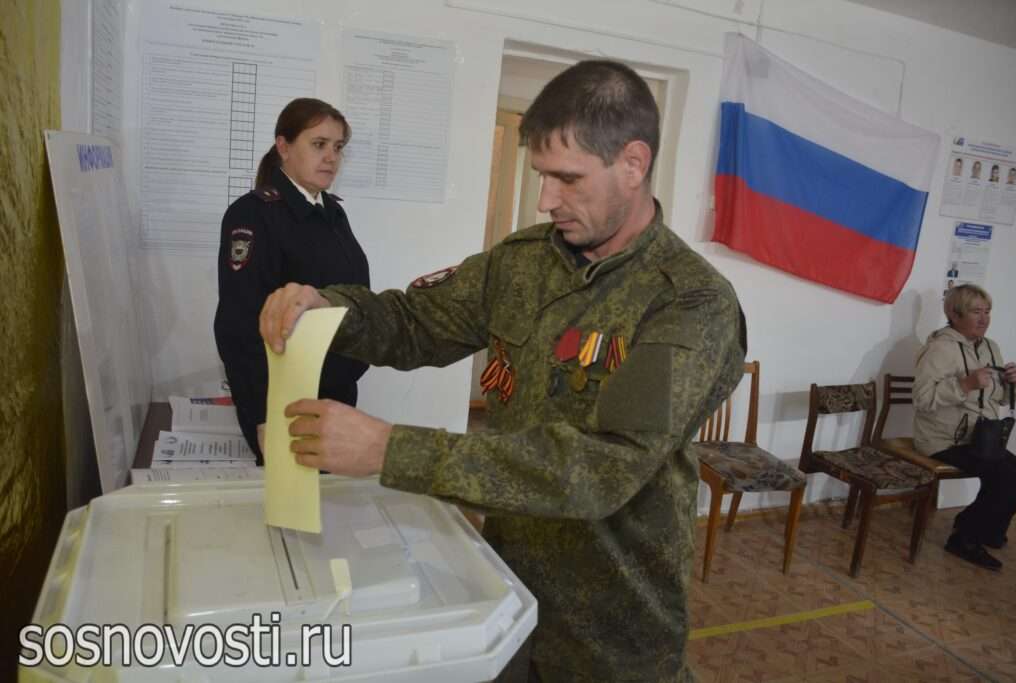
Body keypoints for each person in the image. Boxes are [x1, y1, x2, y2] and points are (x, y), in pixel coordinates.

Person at [260, 61, 746, 682]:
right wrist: (329, 308)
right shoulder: (521, 263)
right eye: (542, 175)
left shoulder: (691, 302)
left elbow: (600, 467)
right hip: (508, 592)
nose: (546, 200)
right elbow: (416, 322)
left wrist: (390, 449)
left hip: (614, 628)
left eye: (567, 178)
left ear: (633, 163)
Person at [214, 98, 370, 462]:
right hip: (286, 405)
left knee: (329, 495)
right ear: (284, 147)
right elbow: (238, 325)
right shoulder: (254, 215)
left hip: (335, 395)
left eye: (338, 147)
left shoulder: (332, 212)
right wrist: (261, 415)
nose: (331, 157)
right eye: (319, 144)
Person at [913, 284, 1016, 570]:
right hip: (943, 440)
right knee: (1007, 479)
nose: (984, 319)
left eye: (987, 312)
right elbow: (922, 399)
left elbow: (999, 397)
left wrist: (1015, 384)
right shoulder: (940, 349)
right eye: (976, 312)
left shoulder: (991, 347)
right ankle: (964, 538)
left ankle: (984, 528)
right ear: (955, 314)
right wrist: (964, 384)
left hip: (981, 438)